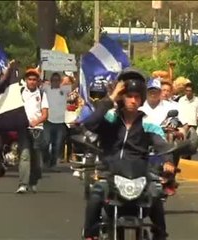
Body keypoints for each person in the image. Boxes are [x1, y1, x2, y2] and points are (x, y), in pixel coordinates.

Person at [82, 68, 175, 240]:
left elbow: (163, 145)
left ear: (142, 100)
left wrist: (169, 161)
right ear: (121, 97)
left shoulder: (148, 123)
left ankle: (160, 235)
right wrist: (111, 98)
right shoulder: (110, 118)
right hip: (110, 172)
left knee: (155, 194)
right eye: (128, 96)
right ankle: (90, 235)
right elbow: (90, 124)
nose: (133, 100)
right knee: (96, 194)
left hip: (139, 174)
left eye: (137, 97)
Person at [16, 68, 49, 193]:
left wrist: (36, 121)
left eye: (34, 79)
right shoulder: (20, 92)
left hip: (37, 130)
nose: (32, 82)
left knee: (37, 160)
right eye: (29, 79)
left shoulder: (41, 94)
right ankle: (23, 184)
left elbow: (45, 114)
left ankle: (33, 181)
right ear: (26, 80)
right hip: (24, 129)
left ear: (38, 81)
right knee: (24, 156)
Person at [42, 72, 71, 169]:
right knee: (45, 142)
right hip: (48, 120)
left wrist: (74, 72)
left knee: (57, 144)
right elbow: (38, 82)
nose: (55, 82)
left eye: (57, 80)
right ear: (50, 81)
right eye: (53, 80)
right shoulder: (46, 89)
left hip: (60, 122)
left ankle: (53, 164)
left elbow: (75, 85)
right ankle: (46, 161)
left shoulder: (64, 89)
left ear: (60, 81)